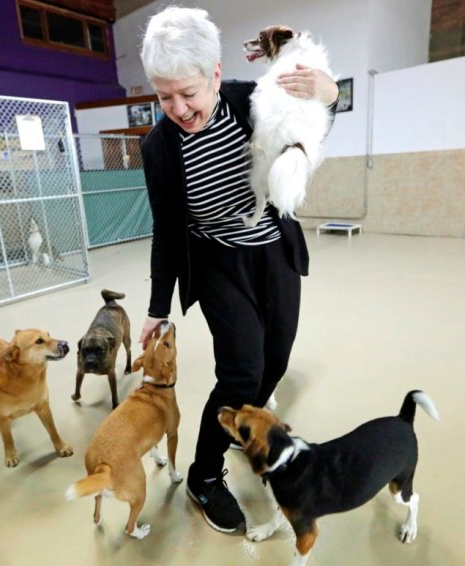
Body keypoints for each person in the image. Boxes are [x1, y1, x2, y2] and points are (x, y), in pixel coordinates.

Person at [137, 7, 339, 534]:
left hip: (273, 252)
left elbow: (308, 130)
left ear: (217, 75)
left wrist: (330, 94)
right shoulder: (159, 148)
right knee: (241, 371)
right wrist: (157, 308)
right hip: (216, 262)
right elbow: (166, 229)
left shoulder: (255, 102)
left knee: (276, 357)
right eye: (164, 96)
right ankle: (205, 476)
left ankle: (241, 422)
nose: (179, 108)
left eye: (189, 92)